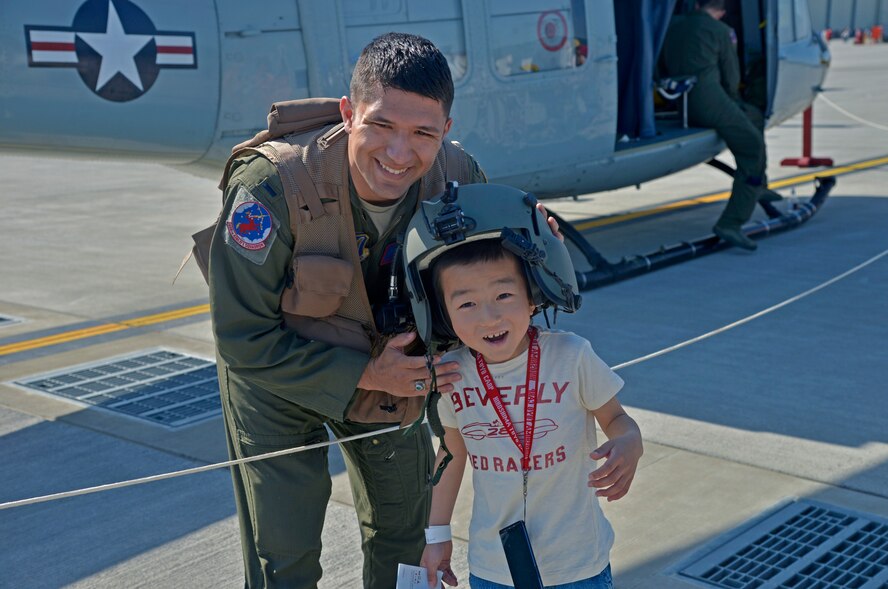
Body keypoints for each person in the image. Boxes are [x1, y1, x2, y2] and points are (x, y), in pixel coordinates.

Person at [208, 32, 489, 589]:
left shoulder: (458, 181)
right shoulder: (272, 187)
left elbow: (497, 278)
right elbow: (242, 339)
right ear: (347, 112)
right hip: (278, 379)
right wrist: (362, 371)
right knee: (282, 559)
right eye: (381, 126)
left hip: (395, 379)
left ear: (445, 132)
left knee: (405, 543)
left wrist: (537, 242)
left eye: (422, 133)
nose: (399, 153)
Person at [400, 184, 643, 588]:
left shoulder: (572, 356)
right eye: (466, 304)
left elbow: (616, 418)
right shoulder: (452, 374)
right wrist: (437, 535)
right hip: (495, 568)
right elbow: (452, 453)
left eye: (504, 294)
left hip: (577, 564)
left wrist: (630, 441)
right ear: (443, 313)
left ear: (532, 296)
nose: (489, 317)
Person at [660, 0, 782, 251]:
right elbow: (731, 74)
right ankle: (732, 222)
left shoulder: (672, 25)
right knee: (752, 148)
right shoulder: (721, 30)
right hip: (708, 100)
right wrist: (733, 102)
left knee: (754, 118)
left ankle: (758, 186)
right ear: (723, 11)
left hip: (677, 100)